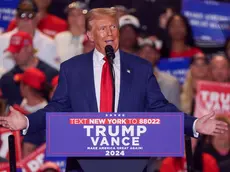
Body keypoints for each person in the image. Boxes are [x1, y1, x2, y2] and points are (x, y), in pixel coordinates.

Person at [0, 7, 228, 170]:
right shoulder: (72, 69)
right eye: (102, 29)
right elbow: (57, 108)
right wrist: (27, 122)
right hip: (83, 162)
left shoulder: (139, 67)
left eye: (113, 28)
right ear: (89, 35)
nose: (109, 33)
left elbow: (160, 108)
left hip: (131, 162)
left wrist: (195, 124)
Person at [0, 31, 58, 105]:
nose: (14, 55)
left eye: (17, 51)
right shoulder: (7, 79)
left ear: (29, 48)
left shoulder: (51, 75)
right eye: (12, 52)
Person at [0, 0, 60, 71]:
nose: (25, 19)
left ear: (38, 18)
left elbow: (55, 73)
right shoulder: (1, 41)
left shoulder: (50, 44)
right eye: (21, 15)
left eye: (30, 15)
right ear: (16, 18)